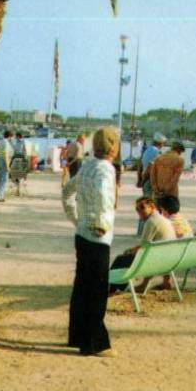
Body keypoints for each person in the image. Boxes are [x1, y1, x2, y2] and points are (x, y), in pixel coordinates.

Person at [61, 126, 119, 357]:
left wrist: (77, 220)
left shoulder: (87, 166)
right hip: (98, 236)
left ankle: (77, 336)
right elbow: (104, 197)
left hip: (82, 234)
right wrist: (102, 224)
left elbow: (67, 193)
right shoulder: (106, 169)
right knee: (96, 291)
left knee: (81, 288)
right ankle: (94, 343)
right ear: (114, 147)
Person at [109, 196, 176, 292]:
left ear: (152, 207)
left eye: (142, 207)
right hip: (169, 259)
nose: (139, 211)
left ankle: (111, 288)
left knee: (121, 259)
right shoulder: (163, 219)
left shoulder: (151, 221)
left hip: (156, 259)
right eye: (137, 208)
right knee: (126, 256)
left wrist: (130, 251)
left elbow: (143, 247)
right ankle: (113, 287)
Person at [138, 132, 166, 234]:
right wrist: (143, 180)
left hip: (145, 181)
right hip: (150, 181)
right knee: (150, 207)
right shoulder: (156, 152)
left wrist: (139, 180)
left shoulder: (146, 151)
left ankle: (141, 230)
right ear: (161, 143)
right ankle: (145, 232)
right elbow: (150, 168)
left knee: (144, 204)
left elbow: (140, 165)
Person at [0, 131, 14, 202]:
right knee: (4, 180)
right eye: (11, 137)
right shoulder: (6, 142)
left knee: (0, 180)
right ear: (9, 136)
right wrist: (8, 166)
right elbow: (6, 154)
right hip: (4, 161)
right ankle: (0, 197)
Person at [10, 132, 29, 196]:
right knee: (12, 167)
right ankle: (12, 177)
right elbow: (14, 149)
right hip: (16, 155)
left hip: (20, 156)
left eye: (16, 136)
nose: (15, 138)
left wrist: (25, 157)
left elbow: (25, 150)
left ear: (18, 136)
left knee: (24, 168)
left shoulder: (22, 141)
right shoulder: (16, 141)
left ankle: (25, 178)